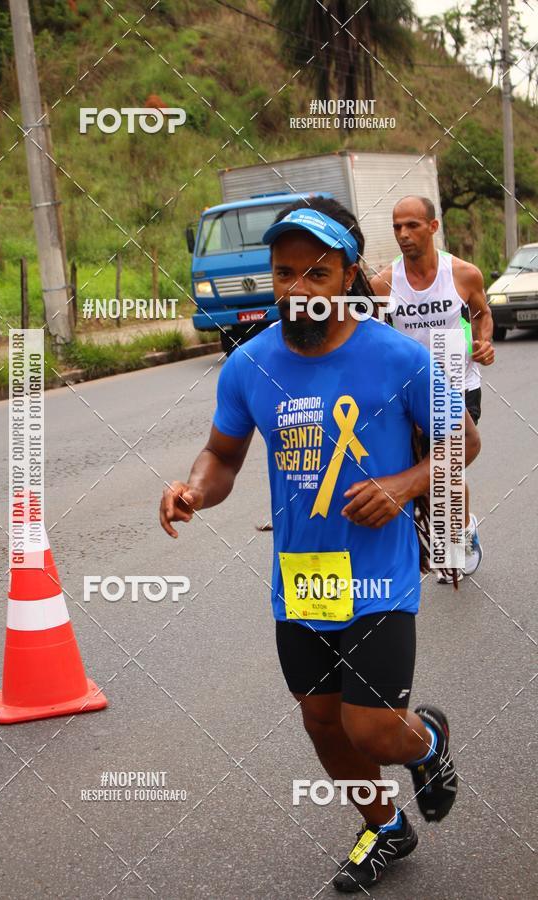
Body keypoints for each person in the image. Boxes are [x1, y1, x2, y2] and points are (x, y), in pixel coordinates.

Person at [159, 197, 481, 892]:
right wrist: (192, 489)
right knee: (322, 723)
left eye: (316, 274)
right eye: (284, 274)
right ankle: (385, 827)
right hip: (302, 578)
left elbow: (465, 444)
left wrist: (403, 483)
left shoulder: (397, 357)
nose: (297, 290)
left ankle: (425, 741)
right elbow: (221, 456)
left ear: (348, 278)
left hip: (377, 573)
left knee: (371, 730)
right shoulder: (248, 366)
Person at [371, 196, 494, 582]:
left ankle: (457, 538)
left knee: (445, 466)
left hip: (459, 384)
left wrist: (483, 341)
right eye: (397, 227)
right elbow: (373, 337)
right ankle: (453, 530)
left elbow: (481, 312)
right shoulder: (384, 284)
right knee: (430, 469)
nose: (403, 234)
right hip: (410, 394)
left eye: (412, 225)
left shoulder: (463, 274)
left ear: (433, 226)